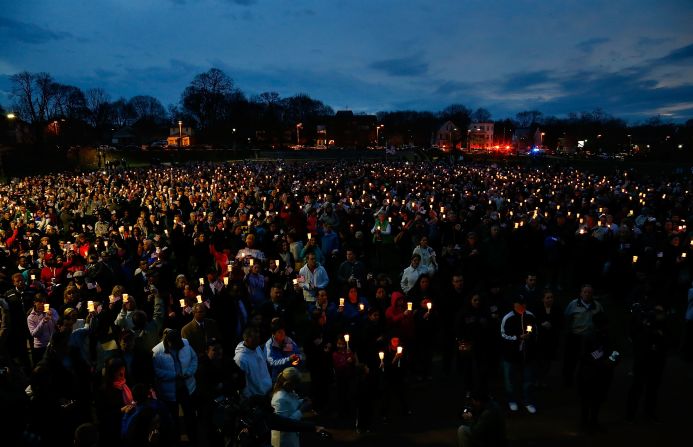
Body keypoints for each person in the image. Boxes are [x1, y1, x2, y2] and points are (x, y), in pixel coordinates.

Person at [151, 328, 198, 443]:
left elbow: (194, 359)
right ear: (168, 342)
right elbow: (156, 371)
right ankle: (176, 439)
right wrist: (174, 375)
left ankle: (193, 437)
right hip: (169, 392)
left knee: (190, 414)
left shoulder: (185, 343)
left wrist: (189, 372)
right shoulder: (157, 351)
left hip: (186, 387)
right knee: (173, 418)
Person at [500, 296, 538, 414]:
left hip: (527, 354)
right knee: (510, 380)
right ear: (514, 305)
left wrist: (528, 334)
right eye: (520, 304)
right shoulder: (508, 318)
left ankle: (527, 401)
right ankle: (512, 400)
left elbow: (533, 330)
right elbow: (503, 335)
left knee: (528, 380)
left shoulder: (530, 316)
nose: (522, 306)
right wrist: (517, 338)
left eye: (524, 303)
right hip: (510, 355)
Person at [563, 284, 604, 387]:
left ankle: (583, 382)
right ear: (581, 293)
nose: (587, 294)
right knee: (571, 360)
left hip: (591, 339)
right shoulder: (573, 304)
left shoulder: (597, 305)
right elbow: (566, 318)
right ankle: (568, 382)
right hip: (575, 337)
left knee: (588, 361)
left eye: (589, 292)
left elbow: (602, 320)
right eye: (585, 292)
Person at [271, 367, 310, 447]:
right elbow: (284, 424)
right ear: (288, 383)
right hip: (283, 440)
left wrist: (302, 401)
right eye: (295, 384)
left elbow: (291, 404)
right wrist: (301, 410)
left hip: (291, 435)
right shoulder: (279, 399)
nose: (296, 387)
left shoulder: (289, 391)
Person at [234, 326, 272, 399]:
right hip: (257, 398)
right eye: (255, 338)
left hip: (268, 390)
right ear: (246, 340)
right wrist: (250, 399)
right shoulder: (240, 359)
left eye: (258, 337)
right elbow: (241, 383)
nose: (258, 340)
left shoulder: (256, 348)